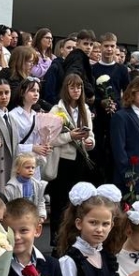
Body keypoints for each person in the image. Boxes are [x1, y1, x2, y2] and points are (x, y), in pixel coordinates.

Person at [45, 73, 96, 226]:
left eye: (79, 87)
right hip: (63, 161)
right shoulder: (56, 110)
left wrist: (89, 141)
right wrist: (70, 136)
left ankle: (72, 235)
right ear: (66, 89)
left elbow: (91, 135)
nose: (76, 90)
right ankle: (56, 241)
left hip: (80, 159)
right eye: (72, 87)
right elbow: (49, 139)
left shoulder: (84, 109)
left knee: (77, 202)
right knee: (60, 201)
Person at [110, 77, 139, 199]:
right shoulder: (121, 116)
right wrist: (127, 175)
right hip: (128, 177)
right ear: (132, 92)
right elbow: (119, 149)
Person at [7, 78, 52, 183]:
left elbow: (38, 141)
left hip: (34, 165)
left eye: (37, 91)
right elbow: (12, 145)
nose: (36, 94)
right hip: (19, 164)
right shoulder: (13, 115)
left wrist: (44, 145)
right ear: (22, 92)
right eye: (32, 90)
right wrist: (33, 147)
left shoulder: (36, 115)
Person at [3, 153, 46, 220]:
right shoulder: (10, 187)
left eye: (33, 167)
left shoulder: (38, 185)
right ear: (18, 169)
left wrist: (41, 215)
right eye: (27, 167)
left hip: (33, 218)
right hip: (17, 219)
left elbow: (40, 202)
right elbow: (7, 206)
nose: (30, 170)